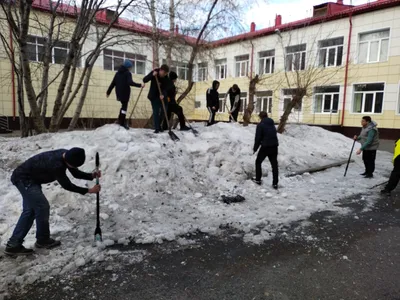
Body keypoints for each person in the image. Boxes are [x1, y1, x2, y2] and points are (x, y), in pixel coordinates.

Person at [4, 148, 101, 256]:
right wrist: (89, 190)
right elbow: (67, 185)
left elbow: (75, 173)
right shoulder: (56, 164)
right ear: (69, 161)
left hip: (31, 179)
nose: (73, 168)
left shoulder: (66, 154)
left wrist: (90, 176)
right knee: (41, 207)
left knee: (31, 210)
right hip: (24, 179)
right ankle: (41, 240)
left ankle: (14, 245)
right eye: (73, 165)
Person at [106, 59, 144, 130]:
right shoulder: (127, 73)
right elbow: (130, 82)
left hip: (119, 93)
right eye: (130, 67)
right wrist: (140, 85)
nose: (130, 68)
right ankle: (122, 122)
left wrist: (108, 92)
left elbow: (113, 83)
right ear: (128, 67)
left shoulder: (117, 73)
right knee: (124, 108)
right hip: (125, 93)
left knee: (123, 106)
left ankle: (120, 119)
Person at [252, 111, 279, 189]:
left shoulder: (261, 125)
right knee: (274, 165)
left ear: (260, 117)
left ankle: (258, 179)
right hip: (274, 146)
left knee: (258, 162)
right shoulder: (272, 124)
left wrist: (255, 149)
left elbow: (258, 138)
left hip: (266, 147)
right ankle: (275, 183)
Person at [143, 64, 170, 133]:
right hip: (153, 96)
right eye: (163, 73)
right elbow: (145, 79)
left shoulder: (166, 78)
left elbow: (165, 88)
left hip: (161, 96)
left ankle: (159, 125)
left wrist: (163, 95)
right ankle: (157, 128)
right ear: (160, 70)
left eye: (165, 74)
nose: (164, 75)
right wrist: (152, 75)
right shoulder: (155, 72)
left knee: (164, 111)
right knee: (156, 111)